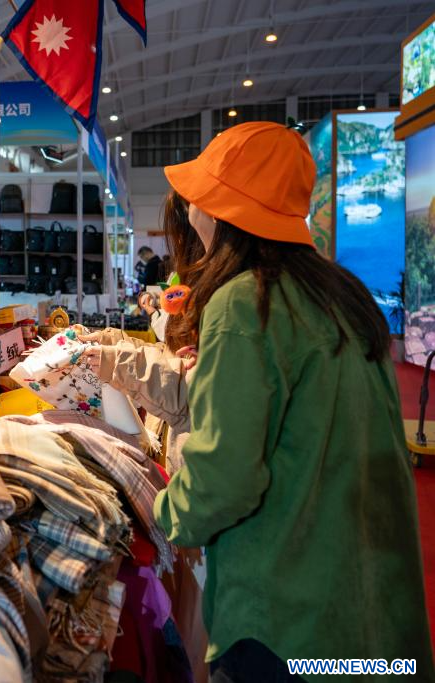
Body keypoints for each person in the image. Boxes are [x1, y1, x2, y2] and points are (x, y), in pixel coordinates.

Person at [137, 121, 433, 679]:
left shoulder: (245, 304)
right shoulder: (344, 297)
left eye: (202, 195)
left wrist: (158, 513)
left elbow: (224, 479)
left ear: (224, 211)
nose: (193, 209)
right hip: (376, 614)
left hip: (285, 622)